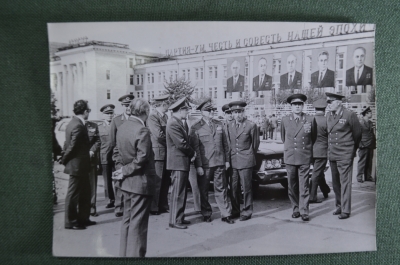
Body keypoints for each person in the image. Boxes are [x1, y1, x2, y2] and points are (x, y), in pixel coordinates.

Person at [113, 98, 155, 257]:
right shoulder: (141, 130)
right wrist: (124, 171)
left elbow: (116, 153)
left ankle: (124, 255)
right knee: (138, 225)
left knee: (127, 222)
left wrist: (120, 170)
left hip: (126, 184)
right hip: (140, 183)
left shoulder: (122, 127)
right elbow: (141, 159)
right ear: (146, 112)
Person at [190, 100, 235, 224]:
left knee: (221, 189)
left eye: (212, 110)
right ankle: (206, 213)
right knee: (204, 190)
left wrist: (227, 161)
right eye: (208, 110)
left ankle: (226, 214)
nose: (211, 112)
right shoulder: (196, 127)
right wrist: (198, 165)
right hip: (205, 164)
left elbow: (226, 145)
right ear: (202, 112)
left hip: (219, 162)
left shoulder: (219, 124)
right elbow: (196, 149)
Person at [280, 94, 317, 221]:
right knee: (292, 185)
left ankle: (304, 211)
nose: (297, 107)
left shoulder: (310, 119)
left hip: (304, 156)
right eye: (295, 105)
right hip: (290, 157)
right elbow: (283, 137)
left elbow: (314, 137)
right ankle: (295, 209)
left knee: (304, 185)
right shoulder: (285, 120)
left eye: (300, 105)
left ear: (303, 106)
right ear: (291, 107)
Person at [325, 92, 361, 219]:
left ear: (339, 102)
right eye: (328, 102)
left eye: (331, 102)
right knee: (335, 183)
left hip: (345, 152)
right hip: (333, 152)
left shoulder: (349, 115)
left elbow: (357, 135)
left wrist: (351, 149)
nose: (328, 104)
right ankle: (339, 206)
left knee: (345, 182)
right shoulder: (329, 115)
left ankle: (346, 210)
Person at [61, 100, 96, 230]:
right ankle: (71, 221)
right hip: (77, 166)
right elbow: (72, 146)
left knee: (85, 192)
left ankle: (83, 218)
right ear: (85, 111)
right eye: (89, 110)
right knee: (73, 194)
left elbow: (68, 144)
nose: (89, 113)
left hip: (81, 165)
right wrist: (64, 159)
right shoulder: (78, 125)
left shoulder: (73, 123)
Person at [226, 101, 260, 221]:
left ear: (243, 112)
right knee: (233, 187)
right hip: (233, 160)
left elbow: (255, 144)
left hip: (246, 160)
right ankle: (235, 210)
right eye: (235, 112)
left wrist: (248, 155)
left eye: (240, 112)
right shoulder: (229, 125)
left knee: (246, 187)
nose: (238, 115)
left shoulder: (251, 125)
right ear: (232, 114)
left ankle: (247, 211)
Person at [166, 97, 196, 229]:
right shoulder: (173, 123)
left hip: (181, 161)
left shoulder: (178, 122)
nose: (187, 111)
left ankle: (179, 217)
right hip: (178, 162)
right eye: (186, 109)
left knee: (181, 191)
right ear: (180, 110)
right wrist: (193, 153)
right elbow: (181, 144)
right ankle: (174, 220)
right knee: (177, 192)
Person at [110, 94, 135, 217]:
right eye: (126, 105)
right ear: (122, 106)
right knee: (119, 181)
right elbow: (112, 141)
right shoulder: (116, 120)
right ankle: (118, 207)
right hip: (120, 156)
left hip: (133, 157)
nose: (128, 108)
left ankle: (130, 206)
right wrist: (115, 157)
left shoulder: (136, 120)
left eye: (130, 105)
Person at [147, 94, 171, 215]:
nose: (169, 105)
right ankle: (154, 207)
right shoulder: (153, 117)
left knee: (166, 180)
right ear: (162, 104)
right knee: (157, 181)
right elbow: (159, 135)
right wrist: (173, 141)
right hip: (158, 153)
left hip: (166, 152)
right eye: (167, 103)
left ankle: (163, 205)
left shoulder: (165, 116)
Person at [309, 98, 331, 203]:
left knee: (319, 172)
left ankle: (325, 189)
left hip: (311, 151)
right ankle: (312, 196)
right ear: (325, 109)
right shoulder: (327, 120)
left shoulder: (309, 120)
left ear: (315, 109)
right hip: (322, 151)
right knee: (317, 173)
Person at [98, 104, 116, 209]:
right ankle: (109, 199)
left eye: (111, 113)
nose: (109, 115)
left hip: (116, 156)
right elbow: (98, 143)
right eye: (107, 114)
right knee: (107, 180)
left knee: (118, 178)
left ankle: (119, 199)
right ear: (103, 115)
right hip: (105, 156)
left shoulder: (116, 125)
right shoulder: (99, 127)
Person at [356, 107, 376, 183]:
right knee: (362, 161)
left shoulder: (370, 123)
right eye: (370, 113)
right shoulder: (360, 123)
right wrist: (360, 144)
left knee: (369, 161)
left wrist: (374, 144)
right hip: (363, 145)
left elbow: (372, 134)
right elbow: (357, 135)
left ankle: (368, 176)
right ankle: (359, 177)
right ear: (366, 114)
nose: (371, 114)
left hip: (370, 144)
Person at [86, 119, 100, 216]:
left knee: (92, 183)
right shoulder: (75, 124)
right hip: (79, 160)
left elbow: (98, 140)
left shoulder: (94, 126)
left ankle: (92, 206)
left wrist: (92, 151)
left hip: (91, 159)